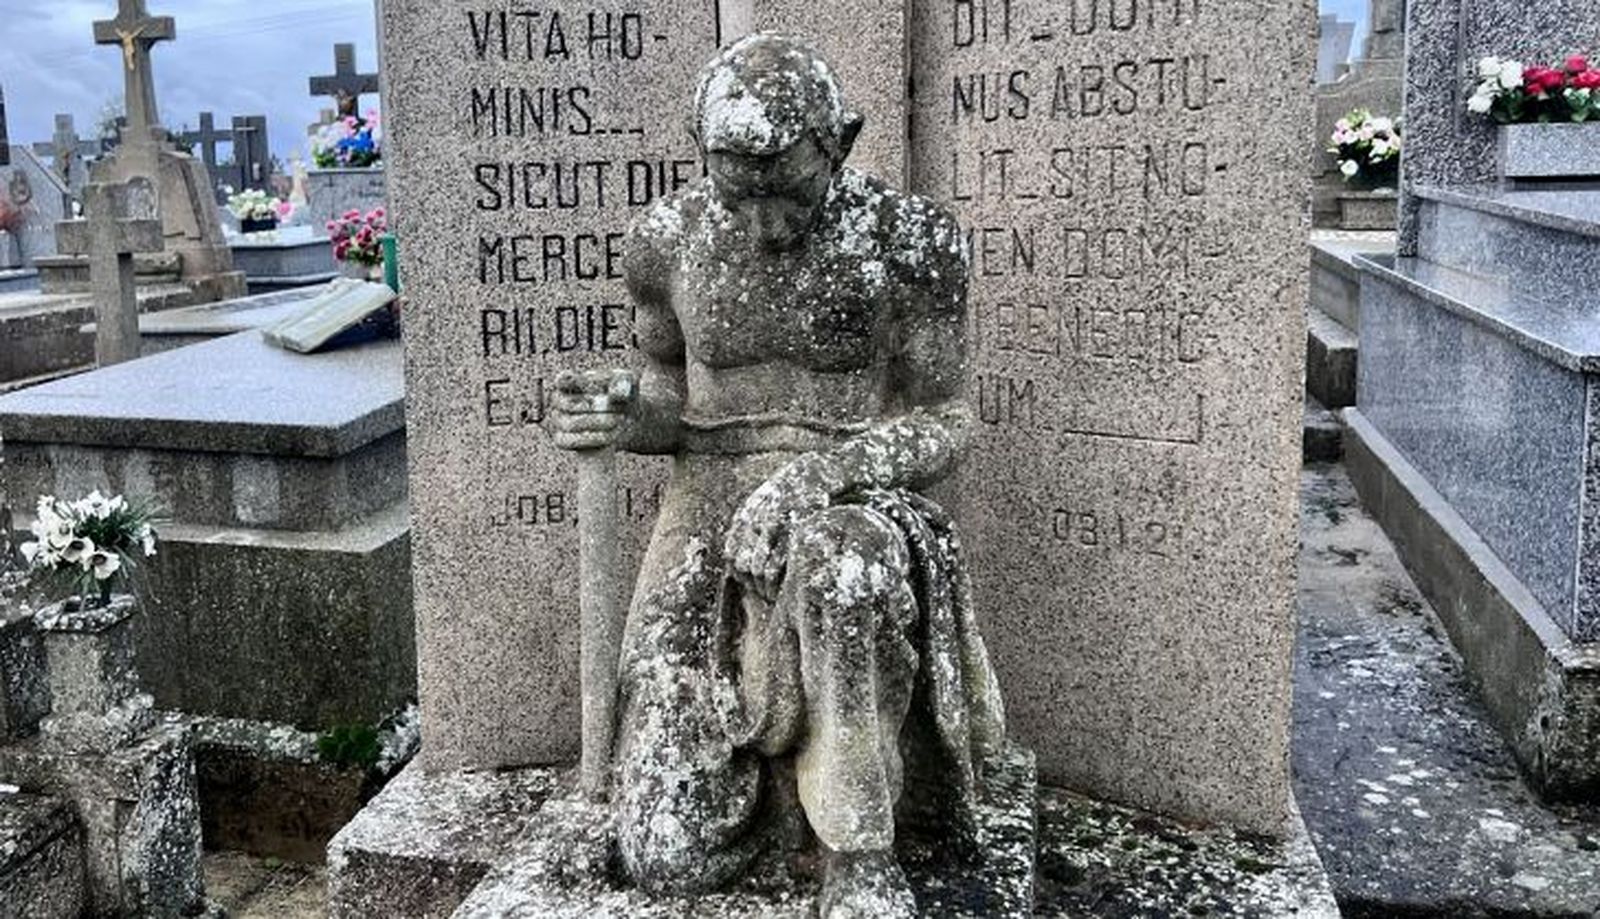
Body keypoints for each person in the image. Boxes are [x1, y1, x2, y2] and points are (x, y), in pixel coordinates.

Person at [553, 32, 1006, 917]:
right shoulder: (665, 242)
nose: (763, 220)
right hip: (707, 508)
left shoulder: (909, 241)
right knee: (668, 853)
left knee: (846, 568)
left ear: (839, 139)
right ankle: (775, 801)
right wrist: (613, 412)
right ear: (701, 155)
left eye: (785, 183)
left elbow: (948, 419)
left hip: (852, 500)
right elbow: (667, 399)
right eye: (737, 185)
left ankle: (857, 848)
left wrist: (821, 478)